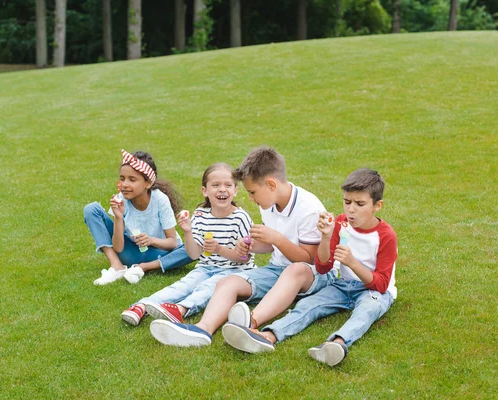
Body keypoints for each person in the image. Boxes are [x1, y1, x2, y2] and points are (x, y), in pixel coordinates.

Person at [149, 146, 335, 347]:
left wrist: (277, 239)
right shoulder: (270, 203)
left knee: (295, 269)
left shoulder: (308, 208)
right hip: (277, 270)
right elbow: (270, 247)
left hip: (312, 274)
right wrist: (251, 246)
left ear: (271, 184)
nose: (251, 199)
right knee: (228, 282)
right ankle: (202, 330)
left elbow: (309, 259)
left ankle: (250, 322)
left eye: (253, 192)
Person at [222, 168, 397, 367]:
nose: (351, 210)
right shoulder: (340, 223)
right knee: (307, 305)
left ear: (377, 205)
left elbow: (381, 284)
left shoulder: (386, 236)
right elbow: (323, 267)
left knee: (367, 311)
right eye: (347, 202)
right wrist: (325, 237)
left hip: (374, 291)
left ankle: (337, 344)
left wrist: (352, 263)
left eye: (360, 204)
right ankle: (268, 335)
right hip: (344, 285)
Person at [121, 163, 255, 326]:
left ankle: (180, 309)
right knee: (181, 286)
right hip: (205, 267)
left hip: (234, 271)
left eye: (228, 185)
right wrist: (188, 232)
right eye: (215, 185)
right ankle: (140, 306)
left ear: (235, 190)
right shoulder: (200, 215)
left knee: (207, 288)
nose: (222, 189)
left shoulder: (240, 218)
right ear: (204, 191)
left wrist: (219, 249)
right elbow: (193, 254)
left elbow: (243, 259)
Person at [83, 149, 192, 285]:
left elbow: (173, 243)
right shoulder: (120, 200)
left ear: (148, 183)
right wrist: (118, 217)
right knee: (91, 209)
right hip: (132, 252)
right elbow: (118, 248)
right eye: (122, 179)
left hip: (160, 254)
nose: (125, 184)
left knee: (194, 247)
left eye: (132, 179)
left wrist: (151, 240)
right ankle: (116, 266)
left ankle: (143, 268)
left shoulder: (160, 200)